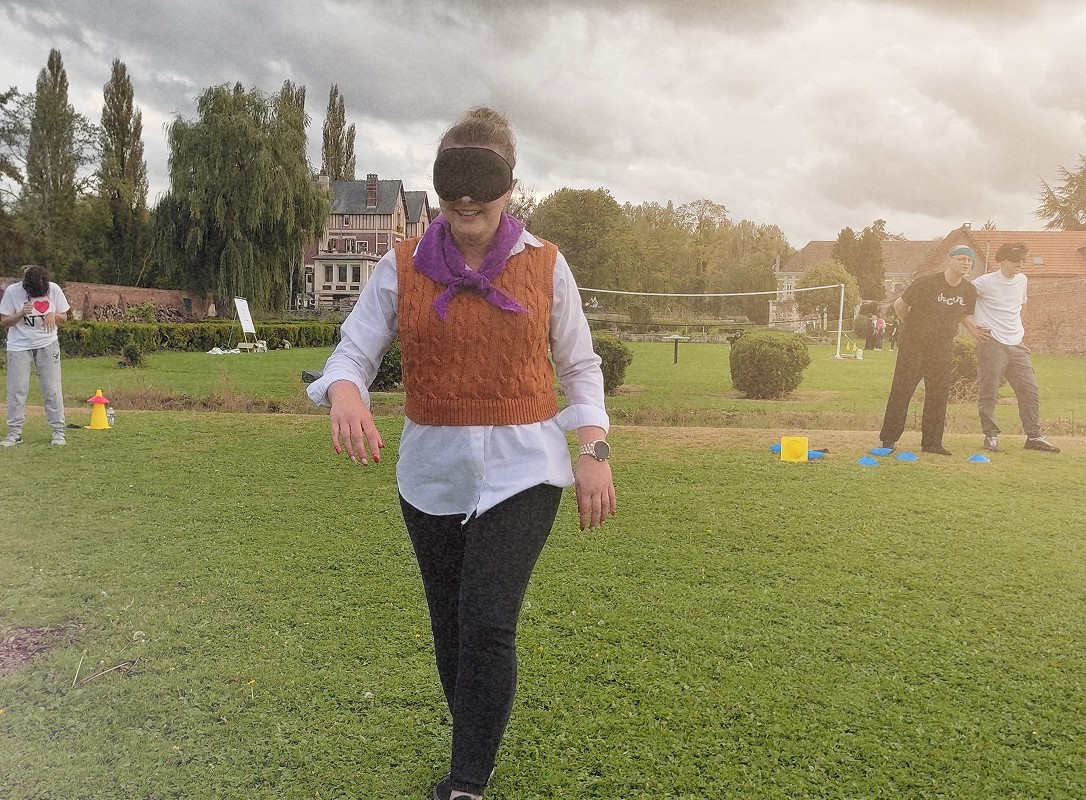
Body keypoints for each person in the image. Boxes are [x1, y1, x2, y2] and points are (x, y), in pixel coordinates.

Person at [306, 107, 616, 800]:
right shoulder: (403, 267)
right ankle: (474, 740)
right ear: (437, 186)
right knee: (450, 626)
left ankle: (468, 780)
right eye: (453, 179)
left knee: (487, 621)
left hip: (526, 468)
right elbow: (352, 352)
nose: (467, 197)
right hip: (431, 475)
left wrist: (592, 448)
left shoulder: (545, 266)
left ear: (510, 186)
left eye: (485, 178)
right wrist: (345, 395)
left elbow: (579, 365)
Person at [878, 245, 980, 456]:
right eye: (961, 259)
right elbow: (899, 306)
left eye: (969, 260)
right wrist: (912, 326)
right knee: (902, 390)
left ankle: (932, 443)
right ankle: (888, 440)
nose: (966, 263)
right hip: (914, 344)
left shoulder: (968, 290)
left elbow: (962, 315)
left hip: (942, 346)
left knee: (938, 393)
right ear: (949, 260)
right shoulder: (926, 283)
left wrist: (973, 329)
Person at [969, 241, 1060, 453]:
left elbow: (1022, 304)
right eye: (1014, 260)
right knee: (989, 390)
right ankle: (990, 436)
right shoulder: (984, 282)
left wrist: (1019, 330)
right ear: (1002, 261)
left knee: (1030, 390)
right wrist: (972, 328)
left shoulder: (1022, 280)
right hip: (991, 344)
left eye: (1022, 260)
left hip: (1017, 344)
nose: (1019, 264)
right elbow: (962, 301)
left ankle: (1034, 436)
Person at [1, 265, 71, 447]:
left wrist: (52, 315)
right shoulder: (12, 292)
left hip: (47, 344)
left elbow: (64, 317)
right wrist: (20, 314)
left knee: (52, 389)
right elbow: (3, 321)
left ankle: (58, 431)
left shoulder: (54, 289)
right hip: (18, 346)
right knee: (17, 390)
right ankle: (15, 432)